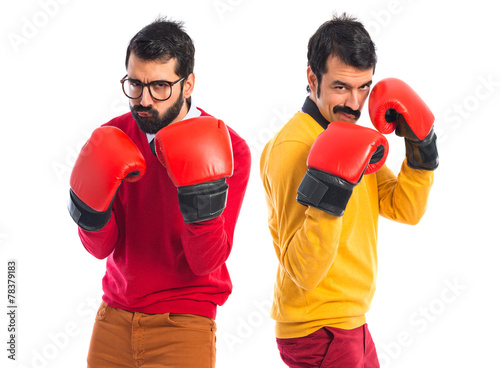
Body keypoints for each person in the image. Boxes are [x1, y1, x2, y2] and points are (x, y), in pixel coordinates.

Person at [67, 17, 251, 368]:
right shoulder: (113, 136)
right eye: (134, 84)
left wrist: (201, 197)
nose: (144, 100)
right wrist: (90, 213)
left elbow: (205, 262)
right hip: (114, 318)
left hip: (183, 323)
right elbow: (101, 248)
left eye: (160, 87)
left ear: (188, 83)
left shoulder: (230, 150)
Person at [260, 13, 438, 368]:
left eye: (364, 88)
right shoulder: (294, 146)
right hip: (319, 328)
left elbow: (406, 208)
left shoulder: (347, 139)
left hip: (349, 321)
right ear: (313, 79)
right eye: (341, 87)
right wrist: (330, 191)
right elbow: (302, 270)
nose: (355, 105)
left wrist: (421, 149)